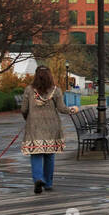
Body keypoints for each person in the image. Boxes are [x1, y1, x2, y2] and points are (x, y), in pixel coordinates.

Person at [20, 65, 77, 194]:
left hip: (34, 126)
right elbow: (62, 108)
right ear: (50, 76)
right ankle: (48, 183)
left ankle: (38, 178)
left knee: (36, 153)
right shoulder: (56, 90)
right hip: (52, 126)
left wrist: (27, 117)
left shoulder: (29, 90)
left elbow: (24, 109)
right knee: (49, 154)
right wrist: (73, 109)